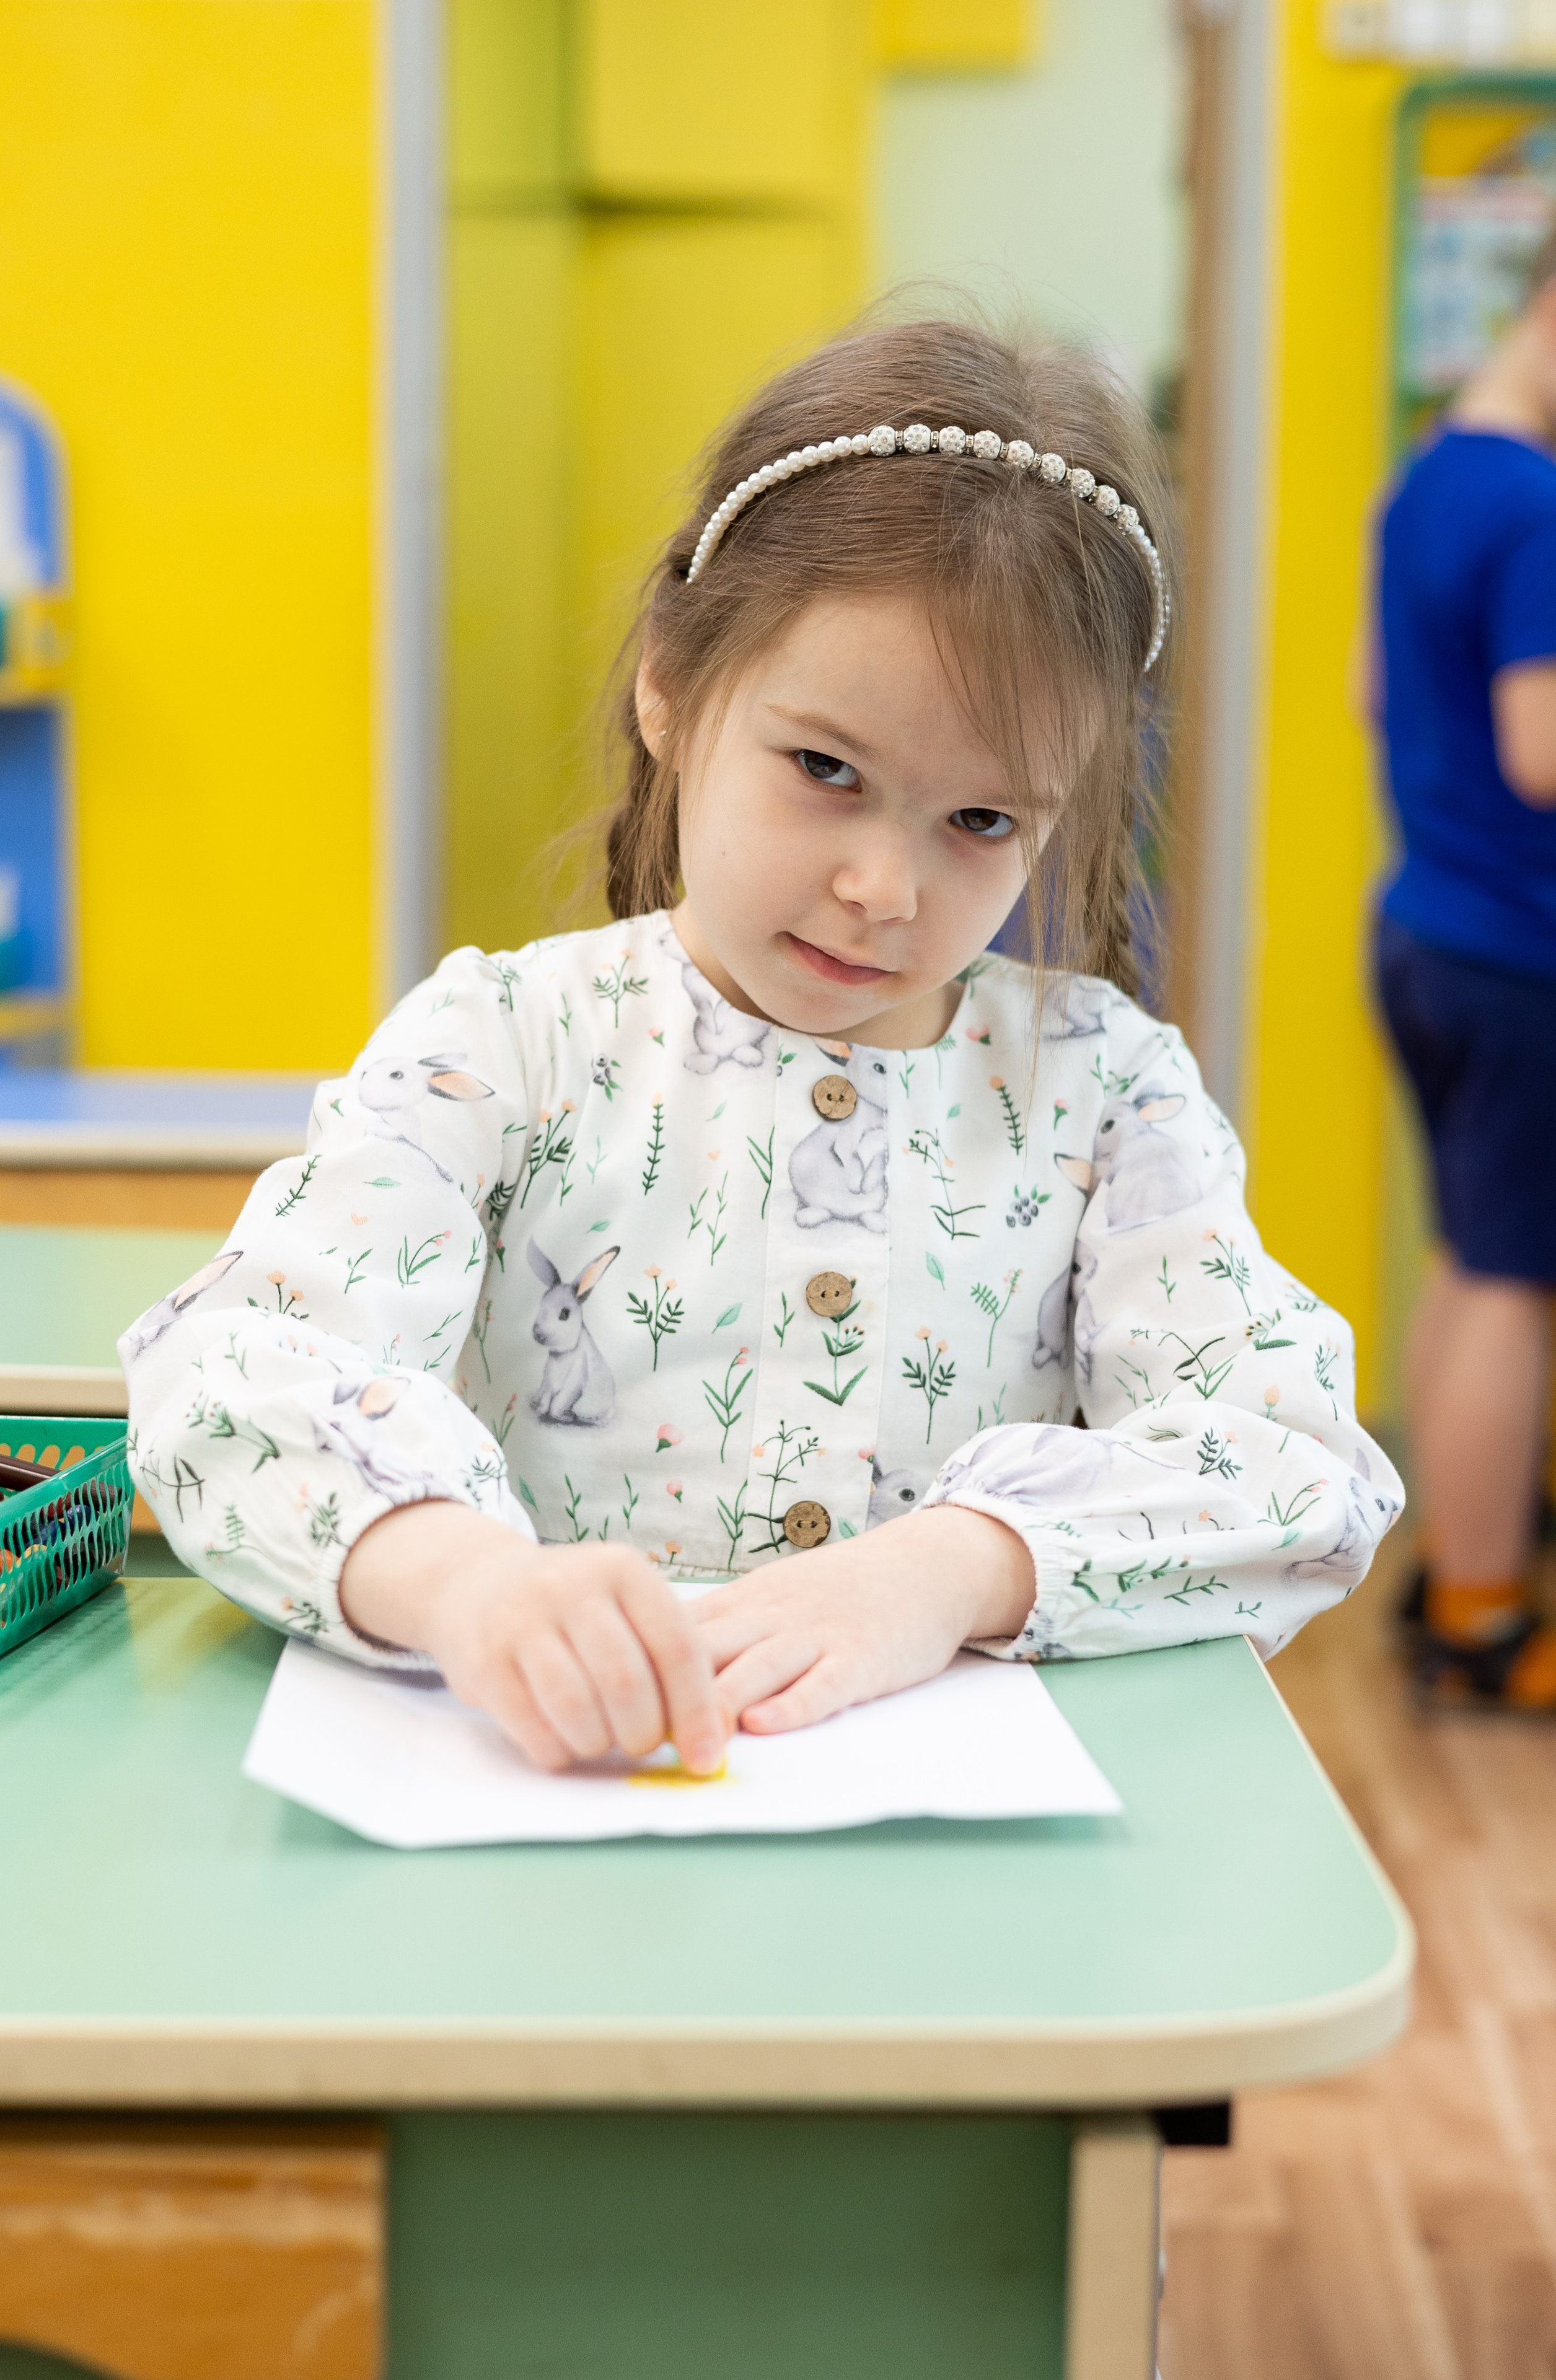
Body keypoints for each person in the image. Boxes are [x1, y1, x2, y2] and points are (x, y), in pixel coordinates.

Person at [122, 319, 1400, 1778]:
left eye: (981, 821)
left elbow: (1293, 1456)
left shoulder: (1102, 1092)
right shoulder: (505, 1044)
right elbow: (228, 1378)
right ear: (668, 685)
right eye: (824, 771)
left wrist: (949, 1571)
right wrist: (463, 1582)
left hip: (961, 1894)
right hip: (560, 1834)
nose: (884, 888)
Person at [1372, 234, 1556, 1710]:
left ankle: (1454, 1550)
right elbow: (1541, 750)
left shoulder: (1429, 474)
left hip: (1426, 924)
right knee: (1514, 1283)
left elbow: (1378, 690)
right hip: (1516, 950)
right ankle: (1484, 1618)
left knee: (1468, 1261)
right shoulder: (1535, 506)